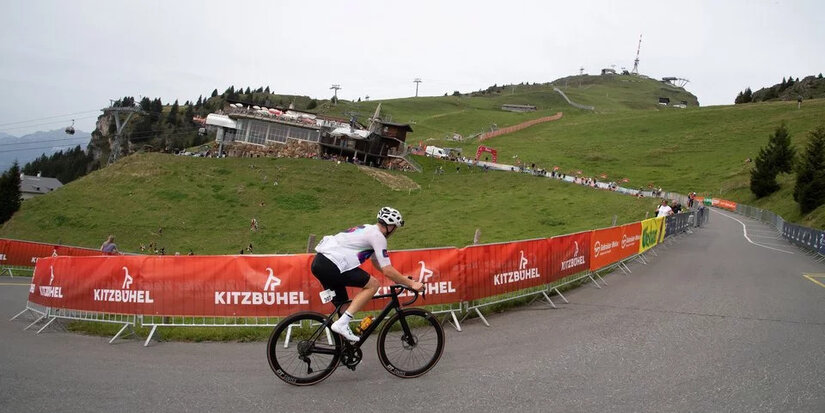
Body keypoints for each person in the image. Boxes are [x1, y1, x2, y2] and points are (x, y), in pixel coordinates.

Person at [311, 207, 424, 342]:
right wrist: (412, 284)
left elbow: (377, 262)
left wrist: (401, 279)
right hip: (333, 264)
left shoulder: (367, 228)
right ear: (390, 226)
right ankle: (342, 324)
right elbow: (387, 269)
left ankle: (343, 350)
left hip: (319, 263)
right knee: (373, 285)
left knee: (344, 308)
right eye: (395, 227)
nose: (394, 231)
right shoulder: (378, 236)